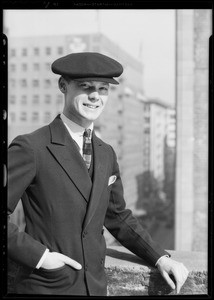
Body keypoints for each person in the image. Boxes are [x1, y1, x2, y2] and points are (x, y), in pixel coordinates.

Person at [8, 52, 188, 296]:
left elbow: (117, 216)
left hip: (96, 287)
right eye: (85, 87)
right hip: (46, 286)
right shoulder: (31, 147)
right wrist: (41, 257)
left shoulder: (106, 153)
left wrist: (160, 258)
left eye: (103, 89)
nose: (95, 96)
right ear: (63, 86)